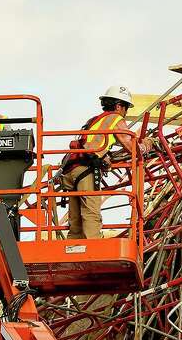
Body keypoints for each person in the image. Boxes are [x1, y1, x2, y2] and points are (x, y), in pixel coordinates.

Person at [59, 85, 139, 239]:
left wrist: (105, 155)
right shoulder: (115, 119)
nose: (126, 113)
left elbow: (92, 142)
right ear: (118, 106)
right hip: (86, 169)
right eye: (126, 108)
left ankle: (74, 249)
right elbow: (133, 147)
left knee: (75, 218)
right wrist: (148, 144)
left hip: (71, 169)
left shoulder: (95, 120)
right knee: (91, 212)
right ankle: (94, 246)